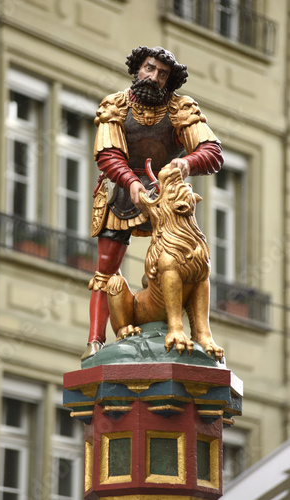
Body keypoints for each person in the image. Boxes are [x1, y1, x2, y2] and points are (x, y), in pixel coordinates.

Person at [81, 46, 223, 361]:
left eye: (162, 73)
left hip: (167, 194)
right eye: (149, 68)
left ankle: (190, 328)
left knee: (186, 258)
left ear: (169, 80)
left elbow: (212, 150)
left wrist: (187, 164)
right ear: (137, 68)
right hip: (120, 190)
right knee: (106, 270)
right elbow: (108, 155)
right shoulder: (115, 104)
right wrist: (130, 181)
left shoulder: (180, 108)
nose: (153, 77)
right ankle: (95, 340)